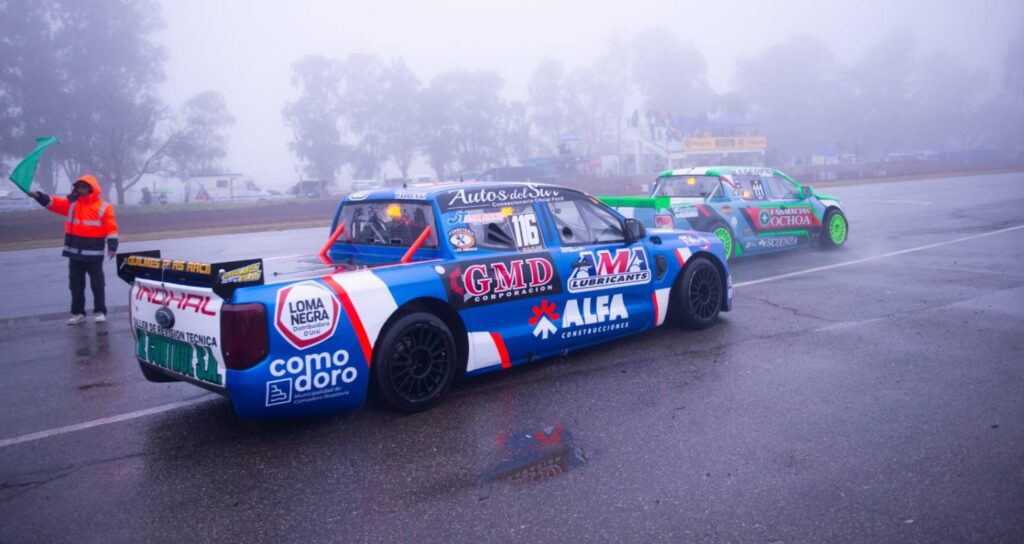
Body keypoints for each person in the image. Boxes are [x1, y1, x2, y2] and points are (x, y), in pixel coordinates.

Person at [28, 175, 119, 325]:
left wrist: (112, 246)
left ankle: (100, 311)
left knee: (97, 284)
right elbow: (53, 202)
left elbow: (111, 227)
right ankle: (78, 313)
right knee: (75, 285)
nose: (80, 189)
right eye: (79, 187)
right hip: (75, 253)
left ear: (91, 188)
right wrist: (38, 196)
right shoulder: (71, 204)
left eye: (83, 187)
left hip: (93, 253)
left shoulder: (104, 206)